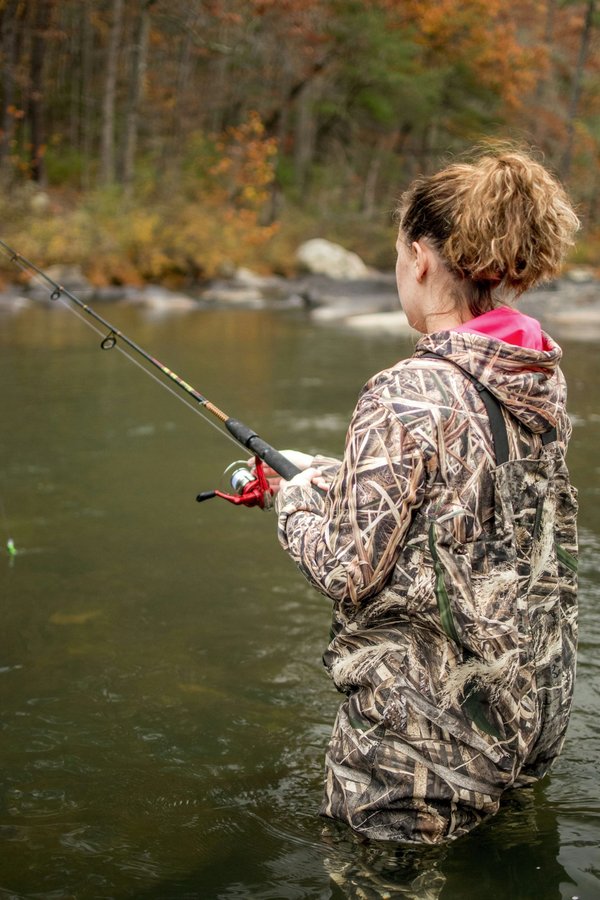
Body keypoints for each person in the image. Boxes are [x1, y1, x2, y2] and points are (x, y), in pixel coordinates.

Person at [269, 147, 580, 844]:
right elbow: (462, 499)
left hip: (418, 749)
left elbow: (348, 571)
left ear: (419, 257)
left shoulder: (407, 390)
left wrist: (290, 505)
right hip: (525, 719)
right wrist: (319, 473)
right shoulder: (533, 377)